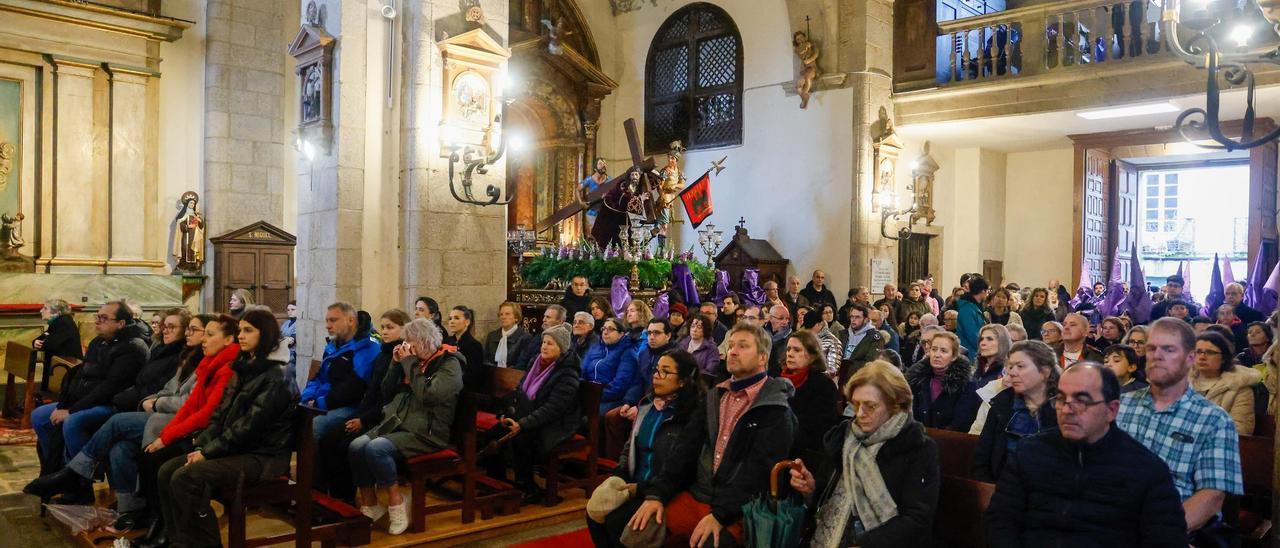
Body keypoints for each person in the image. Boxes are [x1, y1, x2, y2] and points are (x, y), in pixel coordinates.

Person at [625, 324, 795, 547]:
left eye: (742, 346)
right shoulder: (715, 397)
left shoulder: (774, 408)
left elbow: (758, 472)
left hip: (740, 507)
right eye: (731, 345)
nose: (732, 351)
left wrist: (720, 515)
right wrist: (657, 494)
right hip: (698, 494)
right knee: (630, 522)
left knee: (710, 542)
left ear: (763, 357)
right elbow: (685, 449)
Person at [23, 311, 201, 521]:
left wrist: (151, 401)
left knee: (80, 421)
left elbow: (182, 400)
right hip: (136, 406)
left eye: (174, 327)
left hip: (153, 414)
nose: (164, 330)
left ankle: (77, 477)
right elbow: (155, 387)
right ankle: (128, 506)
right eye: (164, 325)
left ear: (121, 323)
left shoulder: (138, 348)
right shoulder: (157, 349)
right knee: (115, 447)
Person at [985, 363, 1187, 547]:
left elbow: (1165, 540)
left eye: (1081, 401)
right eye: (1062, 399)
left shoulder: (1147, 470)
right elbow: (1001, 521)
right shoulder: (1029, 452)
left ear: (1111, 410)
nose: (1066, 410)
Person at [152, 309, 294, 548]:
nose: (241, 336)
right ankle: (179, 541)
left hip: (264, 456)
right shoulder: (244, 366)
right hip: (241, 449)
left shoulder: (276, 376)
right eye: (240, 330)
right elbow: (220, 415)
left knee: (187, 477)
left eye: (248, 331)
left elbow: (248, 428)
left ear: (266, 334)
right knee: (167, 470)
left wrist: (208, 452)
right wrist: (200, 443)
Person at [788, 360, 939, 547]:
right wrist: (810, 489)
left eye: (871, 406)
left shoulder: (916, 447)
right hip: (825, 538)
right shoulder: (844, 437)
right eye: (856, 404)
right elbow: (825, 499)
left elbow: (916, 520)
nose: (859, 413)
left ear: (896, 404)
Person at [1116, 317, 1243, 540]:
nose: (1157, 355)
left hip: (1172, 531)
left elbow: (1211, 496)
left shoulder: (1214, 420)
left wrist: (1156, 534)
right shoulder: (1119, 406)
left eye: (1168, 349)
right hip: (1110, 522)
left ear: (1190, 358)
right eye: (1152, 348)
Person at [349, 318, 463, 535]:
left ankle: (396, 501)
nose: (405, 347)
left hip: (427, 433)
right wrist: (394, 364)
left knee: (376, 448)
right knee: (356, 446)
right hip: (399, 423)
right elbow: (386, 391)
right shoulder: (414, 361)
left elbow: (428, 396)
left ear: (423, 341)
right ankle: (371, 503)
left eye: (409, 342)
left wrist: (409, 363)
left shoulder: (450, 364)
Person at [586, 350, 704, 548]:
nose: (657, 376)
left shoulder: (690, 416)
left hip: (663, 488)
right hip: (634, 482)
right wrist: (621, 473)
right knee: (594, 511)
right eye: (656, 370)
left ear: (683, 381)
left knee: (618, 521)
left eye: (666, 372)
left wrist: (641, 488)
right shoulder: (647, 405)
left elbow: (682, 467)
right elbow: (629, 445)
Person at [31, 300, 148, 477]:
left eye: (104, 318)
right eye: (97, 316)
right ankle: (58, 468)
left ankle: (82, 478)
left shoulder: (132, 347)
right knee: (39, 416)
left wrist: (71, 410)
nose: (97, 321)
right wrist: (64, 404)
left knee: (73, 421)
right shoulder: (98, 342)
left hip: (112, 404)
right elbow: (78, 375)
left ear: (121, 323)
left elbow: (109, 388)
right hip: (87, 399)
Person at [317, 309, 410, 500]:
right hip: (369, 413)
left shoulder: (405, 357)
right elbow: (371, 393)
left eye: (390, 327)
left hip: (386, 419)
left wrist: (363, 419)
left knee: (343, 445)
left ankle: (346, 501)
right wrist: (359, 415)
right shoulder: (383, 354)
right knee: (328, 440)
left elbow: (391, 400)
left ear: (404, 329)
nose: (384, 331)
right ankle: (332, 499)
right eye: (382, 327)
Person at [501, 324, 581, 502]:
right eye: (544, 342)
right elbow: (520, 391)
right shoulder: (535, 363)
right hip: (533, 415)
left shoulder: (567, 373)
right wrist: (508, 414)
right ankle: (501, 483)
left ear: (562, 348)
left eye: (550, 343)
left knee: (521, 434)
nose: (544, 346)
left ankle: (527, 486)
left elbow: (554, 408)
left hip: (558, 423)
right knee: (499, 429)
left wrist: (522, 423)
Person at [972, 340, 1059, 482]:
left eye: (1020, 366)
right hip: (1004, 486)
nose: (1012, 373)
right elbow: (982, 457)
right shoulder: (1002, 403)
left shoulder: (1064, 408)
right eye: (1010, 367)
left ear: (1045, 371)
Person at [301, 302, 381, 441]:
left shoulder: (368, 348)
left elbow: (353, 389)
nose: (328, 325)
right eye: (327, 320)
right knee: (291, 416)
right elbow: (320, 377)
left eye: (333, 320)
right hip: (323, 402)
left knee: (317, 425)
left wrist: (319, 403)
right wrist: (307, 397)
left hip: (352, 406)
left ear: (351, 320)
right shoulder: (333, 346)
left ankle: (317, 463)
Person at [782, 331, 840, 470]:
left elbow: (819, 428)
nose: (790, 354)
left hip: (805, 457)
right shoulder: (777, 380)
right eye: (789, 349)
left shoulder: (823, 385)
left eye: (797, 350)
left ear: (812, 355)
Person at [1190, 330, 1261, 435]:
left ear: (1223, 358)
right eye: (1198, 351)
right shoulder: (1181, 382)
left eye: (1210, 352)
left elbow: (1241, 430)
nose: (1202, 357)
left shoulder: (1239, 387)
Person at [903, 331, 977, 431]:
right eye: (934, 349)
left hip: (950, 441)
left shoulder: (967, 383)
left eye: (944, 351)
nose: (937, 355)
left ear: (954, 356)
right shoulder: (917, 379)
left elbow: (961, 422)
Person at [580, 317, 638, 413]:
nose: (605, 332)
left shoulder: (628, 352)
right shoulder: (595, 347)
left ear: (621, 334)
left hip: (611, 398)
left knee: (588, 415)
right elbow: (582, 371)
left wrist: (595, 396)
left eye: (610, 329)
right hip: (589, 394)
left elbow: (620, 385)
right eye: (604, 329)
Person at [966, 324, 1013, 435]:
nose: (983, 343)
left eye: (989, 339)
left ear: (1002, 342)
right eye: (981, 339)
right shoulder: (977, 369)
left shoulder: (1007, 372)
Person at [31, 299, 85, 386]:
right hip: (58, 364)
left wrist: (41, 343)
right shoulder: (58, 322)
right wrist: (35, 342)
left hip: (65, 366)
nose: (41, 311)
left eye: (45, 308)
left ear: (57, 312)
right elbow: (42, 338)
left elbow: (49, 345)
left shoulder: (64, 322)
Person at [441, 305, 485, 391]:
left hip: (463, 390)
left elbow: (472, 376)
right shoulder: (446, 341)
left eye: (456, 318)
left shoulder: (475, 346)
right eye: (450, 318)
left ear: (467, 322)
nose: (451, 322)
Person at [840, 303, 883, 383]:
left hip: (861, 380)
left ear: (866, 319)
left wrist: (845, 367)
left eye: (857, 317)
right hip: (840, 380)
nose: (853, 320)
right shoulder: (843, 334)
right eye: (852, 317)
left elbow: (870, 362)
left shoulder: (875, 337)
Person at [483, 301, 533, 368]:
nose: (503, 317)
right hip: (492, 374)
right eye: (501, 314)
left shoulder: (525, 337)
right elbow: (486, 359)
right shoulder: (492, 336)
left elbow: (523, 363)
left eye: (507, 314)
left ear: (516, 317)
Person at [802, 306, 843, 378]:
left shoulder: (833, 342)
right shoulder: (804, 339)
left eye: (811, 327)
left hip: (822, 383)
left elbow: (832, 370)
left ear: (820, 324)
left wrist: (812, 377)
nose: (809, 330)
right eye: (807, 327)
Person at [956, 276, 989, 360]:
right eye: (987, 291)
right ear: (982, 291)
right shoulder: (967, 309)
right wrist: (985, 347)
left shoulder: (974, 307)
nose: (988, 294)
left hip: (975, 352)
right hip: (970, 354)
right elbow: (972, 334)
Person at [680, 314, 722, 380]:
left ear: (705, 329)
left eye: (699, 327)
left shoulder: (712, 349)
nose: (694, 330)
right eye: (692, 326)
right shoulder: (682, 343)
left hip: (699, 383)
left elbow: (709, 371)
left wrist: (690, 375)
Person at [766, 304, 794, 376]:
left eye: (787, 318)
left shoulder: (792, 338)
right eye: (781, 318)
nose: (785, 322)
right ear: (770, 318)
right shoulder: (760, 334)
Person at [281, 301, 299, 394]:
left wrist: (284, 340)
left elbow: (292, 341)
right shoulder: (286, 323)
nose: (290, 312)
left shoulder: (299, 323)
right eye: (288, 310)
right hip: (282, 352)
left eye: (293, 309)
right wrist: (285, 340)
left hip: (292, 355)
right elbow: (278, 338)